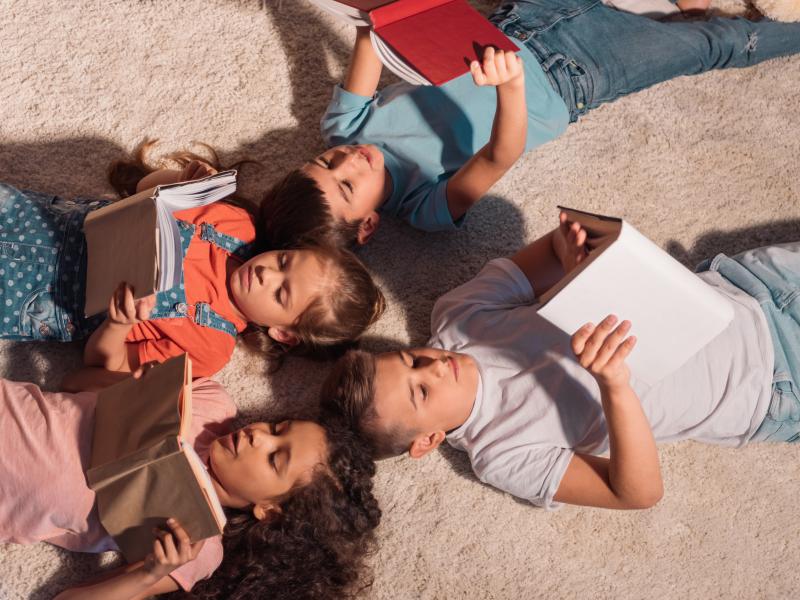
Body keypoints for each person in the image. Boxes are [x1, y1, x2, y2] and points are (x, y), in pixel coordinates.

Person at [322, 211, 800, 510]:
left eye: (411, 358)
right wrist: (614, 386)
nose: (433, 365)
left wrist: (577, 262)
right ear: (428, 441)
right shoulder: (502, 454)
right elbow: (636, 494)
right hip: (770, 385)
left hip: (748, 285)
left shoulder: (459, 316)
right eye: (422, 391)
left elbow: (558, 244)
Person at [261, 0, 800, 245]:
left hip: (515, 23)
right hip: (574, 78)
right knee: (713, 44)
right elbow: (500, 155)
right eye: (348, 185)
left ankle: (678, 4)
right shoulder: (424, 209)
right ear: (368, 225)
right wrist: (511, 86)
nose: (348, 161)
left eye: (326, 163)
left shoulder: (344, 129)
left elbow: (371, 35)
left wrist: (370, 13)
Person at [0, 365, 381, 599]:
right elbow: (74, 379)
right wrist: (130, 386)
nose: (259, 435)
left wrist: (150, 573)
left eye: (274, 458)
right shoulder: (211, 405)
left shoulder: (197, 547)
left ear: (269, 510)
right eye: (277, 428)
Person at [0, 147, 385, 376]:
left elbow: (103, 363)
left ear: (283, 333)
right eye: (284, 260)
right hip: (46, 221)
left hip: (38, 298)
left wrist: (119, 324)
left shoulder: (211, 348)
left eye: (281, 293)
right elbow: (143, 191)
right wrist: (181, 180)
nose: (266, 274)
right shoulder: (238, 224)